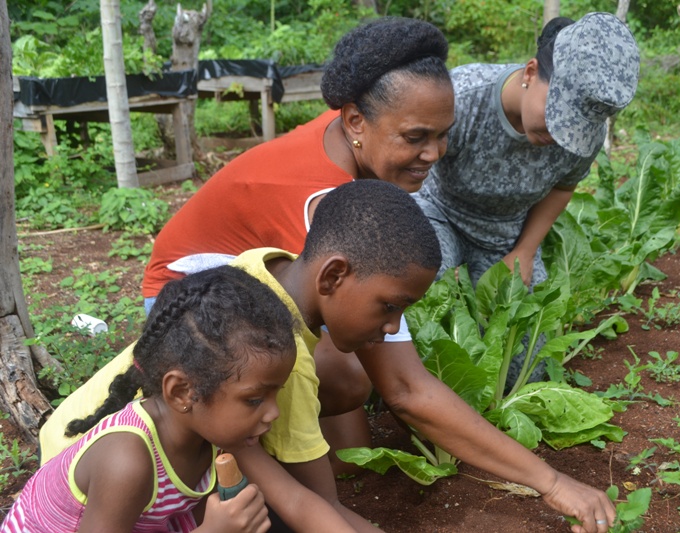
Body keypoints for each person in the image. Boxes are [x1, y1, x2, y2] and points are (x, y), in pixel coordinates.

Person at [41, 181, 616, 533]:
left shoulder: (266, 284)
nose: (393, 329)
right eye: (389, 307)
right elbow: (316, 507)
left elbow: (303, 498)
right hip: (97, 488)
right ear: (335, 273)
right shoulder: (263, 361)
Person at [3, 266, 355, 532]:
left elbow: (295, 500)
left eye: (275, 394)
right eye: (254, 399)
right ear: (183, 392)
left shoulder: (221, 433)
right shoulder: (127, 462)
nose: (273, 413)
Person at [141, 16, 454, 307]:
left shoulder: (346, 127)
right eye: (414, 138)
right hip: (185, 294)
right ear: (355, 120)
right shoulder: (325, 204)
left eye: (443, 134)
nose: (434, 153)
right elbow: (349, 340)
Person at [412, 12, 640, 386]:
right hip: (437, 210)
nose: (559, 135)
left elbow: (563, 187)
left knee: (527, 366)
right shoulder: (462, 98)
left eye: (573, 130)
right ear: (530, 72)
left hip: (505, 231)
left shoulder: (585, 138)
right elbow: (407, 164)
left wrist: (527, 250)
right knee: (419, 284)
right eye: (557, 116)